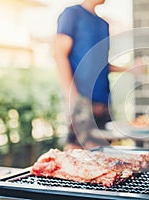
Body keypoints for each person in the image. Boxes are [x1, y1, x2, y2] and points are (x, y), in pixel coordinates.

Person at [54, 0, 139, 150]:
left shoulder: (103, 24)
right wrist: (72, 96)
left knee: (102, 152)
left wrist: (128, 69)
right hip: (81, 99)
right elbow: (59, 54)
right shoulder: (72, 14)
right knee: (77, 150)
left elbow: (102, 64)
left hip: (104, 101)